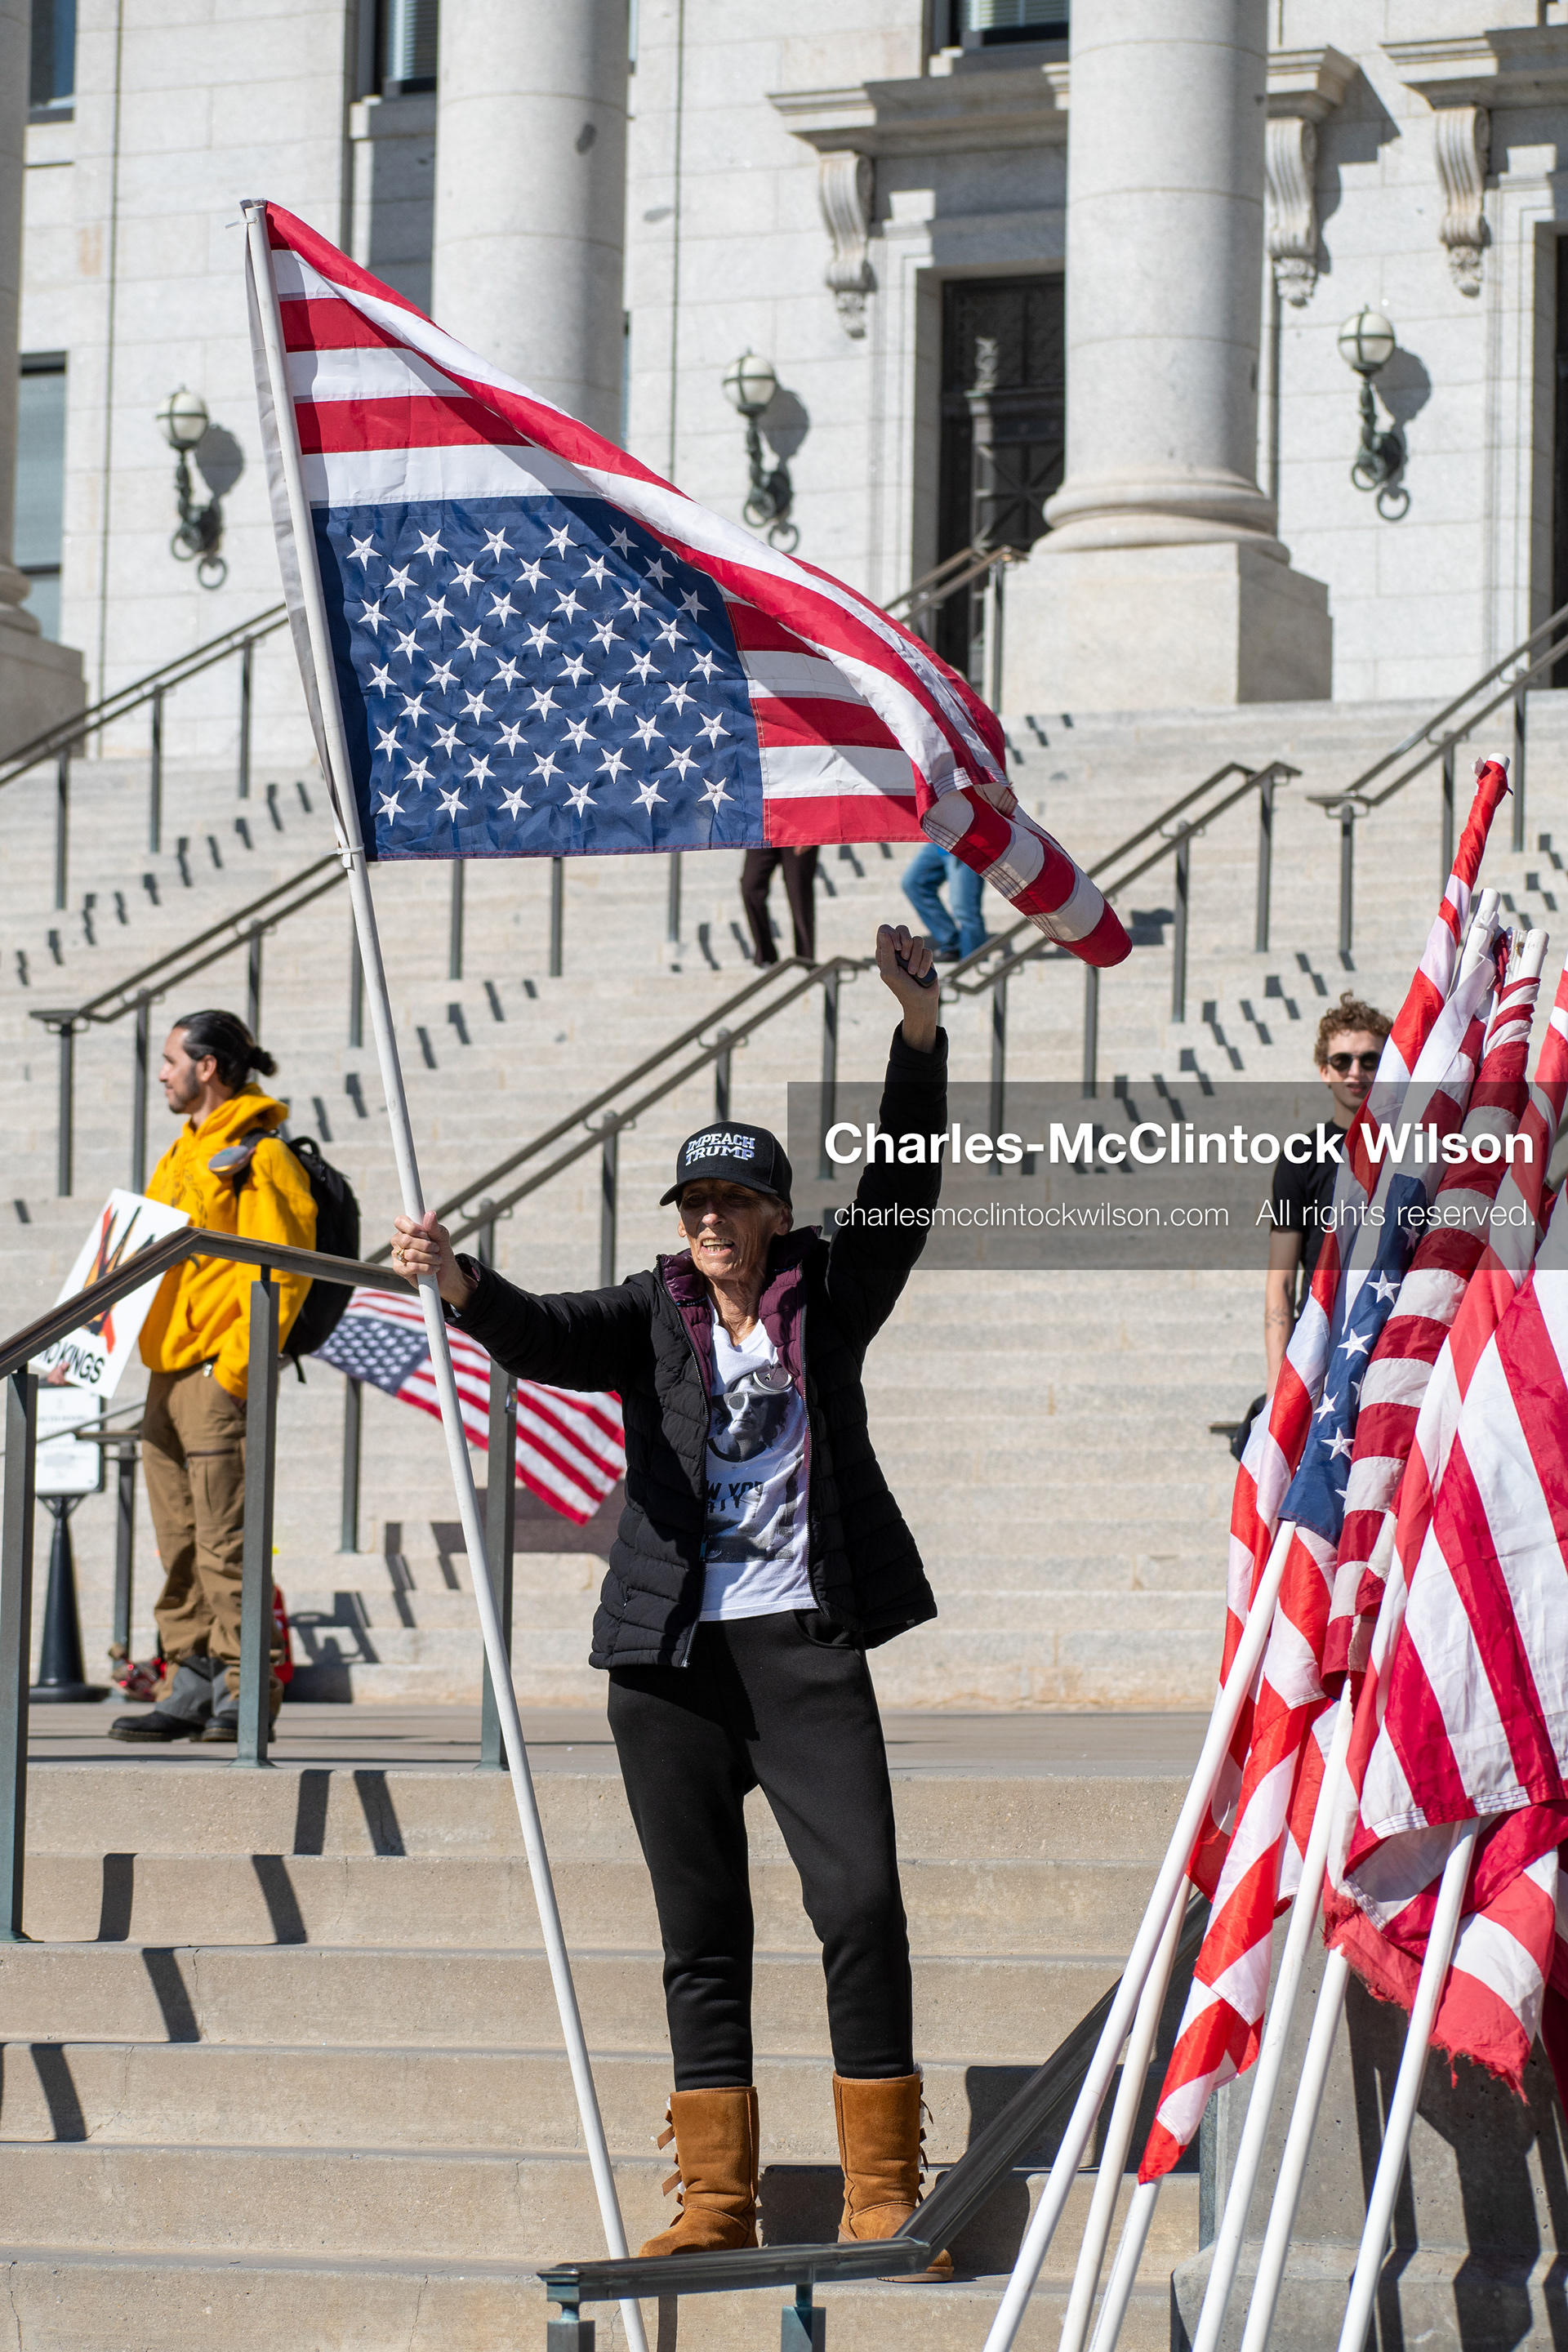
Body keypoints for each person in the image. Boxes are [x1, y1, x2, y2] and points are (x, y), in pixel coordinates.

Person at [391, 922, 953, 2277]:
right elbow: (541, 1337)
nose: (706, 1220)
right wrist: (460, 1282)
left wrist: (918, 1030)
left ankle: (882, 2190)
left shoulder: (831, 1289)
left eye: (727, 1203)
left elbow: (906, 1184)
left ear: (770, 1213)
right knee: (701, 1933)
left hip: (804, 1645)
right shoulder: (651, 1314)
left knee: (861, 1903)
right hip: (668, 1662)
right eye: (690, 1205)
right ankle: (718, 2205)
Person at [109, 1011, 316, 1744]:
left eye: (171, 1060)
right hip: (166, 1370)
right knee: (179, 1540)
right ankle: (189, 1679)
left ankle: (247, 1684)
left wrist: (236, 1371)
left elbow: (284, 1271)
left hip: (216, 1372)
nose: (161, 1073)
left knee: (226, 1538)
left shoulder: (260, 1154)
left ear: (208, 1067)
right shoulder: (180, 1153)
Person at [1263, 990, 1391, 1392]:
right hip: (1321, 1341)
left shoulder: (1416, 1150)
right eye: (1342, 1061)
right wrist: (1275, 1385)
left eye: (1369, 1059)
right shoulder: (1300, 1155)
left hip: (1394, 1336)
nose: (1356, 1071)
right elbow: (1281, 1280)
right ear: (1325, 1070)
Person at [902, 839, 987, 962]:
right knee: (912, 883)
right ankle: (952, 944)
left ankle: (974, 964)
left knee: (963, 909)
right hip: (939, 840)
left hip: (966, 841)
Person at [740, 844, 817, 965]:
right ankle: (766, 958)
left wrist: (811, 833)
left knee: (799, 894)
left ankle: (805, 960)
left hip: (797, 830)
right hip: (763, 829)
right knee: (750, 887)